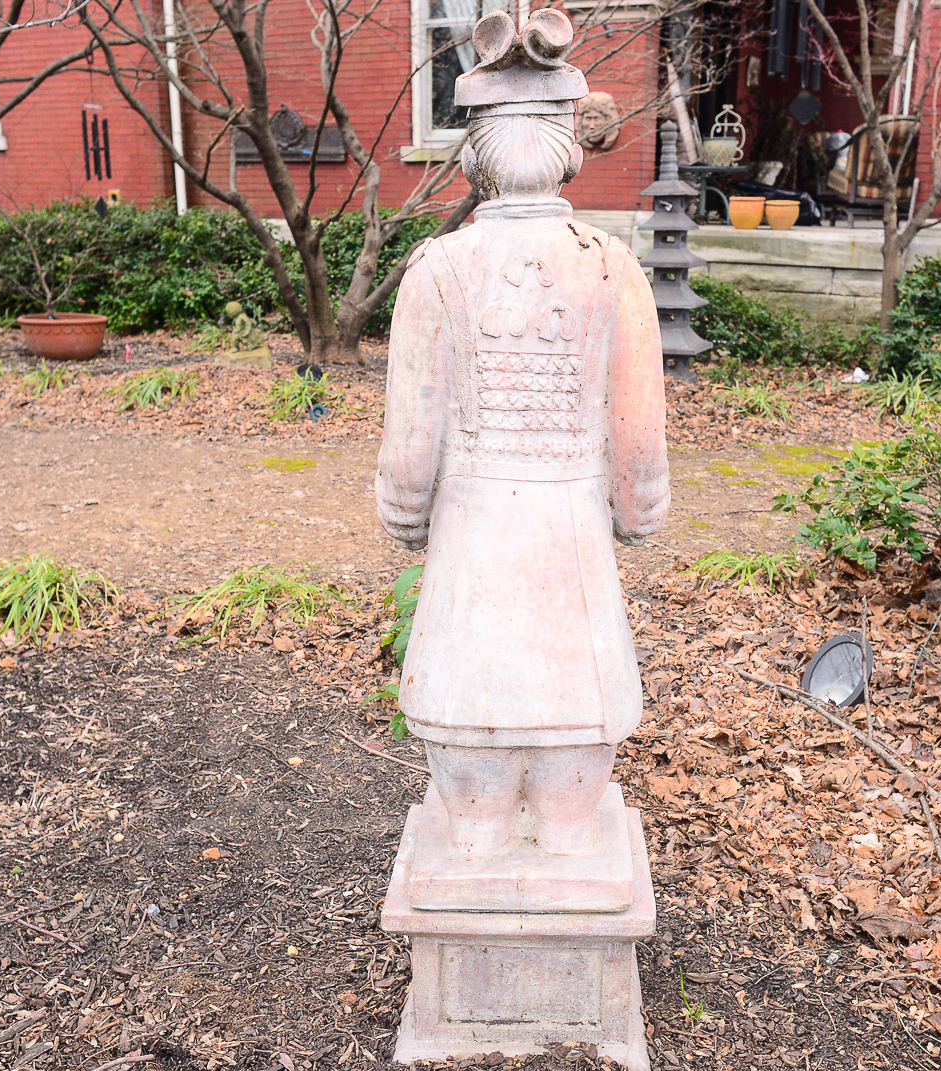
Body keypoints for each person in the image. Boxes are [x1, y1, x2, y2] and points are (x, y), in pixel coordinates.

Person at [375, 7, 668, 857]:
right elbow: (641, 456)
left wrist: (406, 519)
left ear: (472, 153)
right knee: (577, 806)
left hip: (469, 565)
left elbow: (407, 461)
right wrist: (637, 513)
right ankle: (568, 853)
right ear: (573, 144)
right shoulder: (611, 268)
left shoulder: (438, 270)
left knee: (467, 809)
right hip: (572, 558)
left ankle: (475, 849)